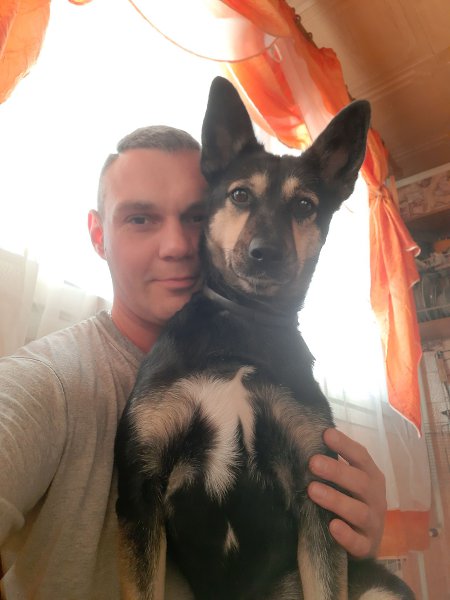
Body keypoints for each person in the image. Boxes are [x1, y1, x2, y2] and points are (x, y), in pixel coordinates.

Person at [0, 125, 387, 599]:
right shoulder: (49, 384)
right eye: (140, 219)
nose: (179, 246)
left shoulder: (288, 372)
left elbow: (320, 530)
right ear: (99, 236)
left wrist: (355, 532)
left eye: (197, 215)